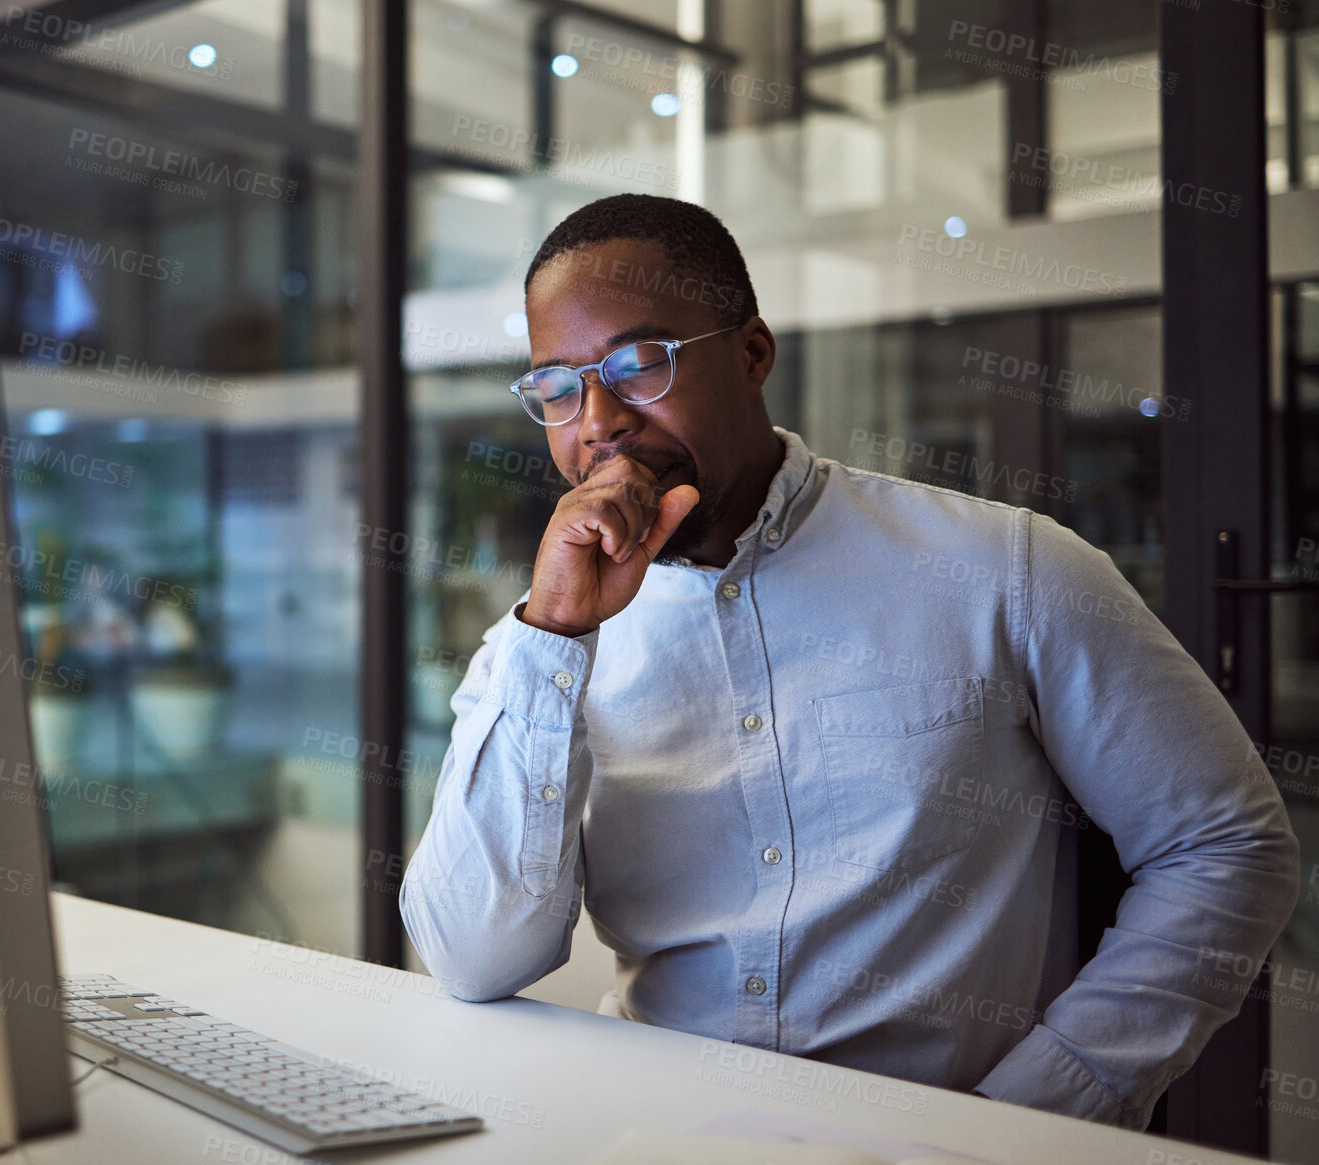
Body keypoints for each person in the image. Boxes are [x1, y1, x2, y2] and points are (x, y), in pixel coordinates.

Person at [398, 193, 1299, 1130]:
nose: (598, 421)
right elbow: (472, 957)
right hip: (653, 1132)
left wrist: (1032, 1117)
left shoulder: (1006, 570)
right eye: (557, 385)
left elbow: (1224, 845)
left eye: (640, 365)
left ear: (751, 354)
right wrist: (552, 637)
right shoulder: (542, 638)